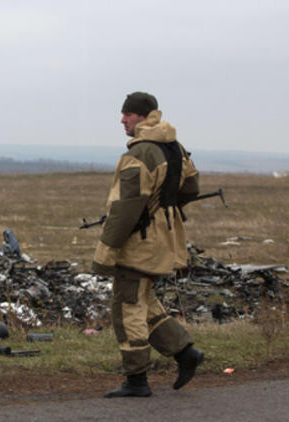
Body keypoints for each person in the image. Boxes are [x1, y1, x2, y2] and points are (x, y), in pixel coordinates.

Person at [92, 92, 204, 397]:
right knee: (143, 301)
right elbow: (192, 186)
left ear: (141, 116)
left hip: (138, 243)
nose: (122, 120)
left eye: (126, 114)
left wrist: (105, 251)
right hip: (163, 239)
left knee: (126, 307)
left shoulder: (139, 153)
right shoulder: (174, 147)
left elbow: (125, 207)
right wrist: (164, 205)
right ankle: (185, 353)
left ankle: (137, 380)